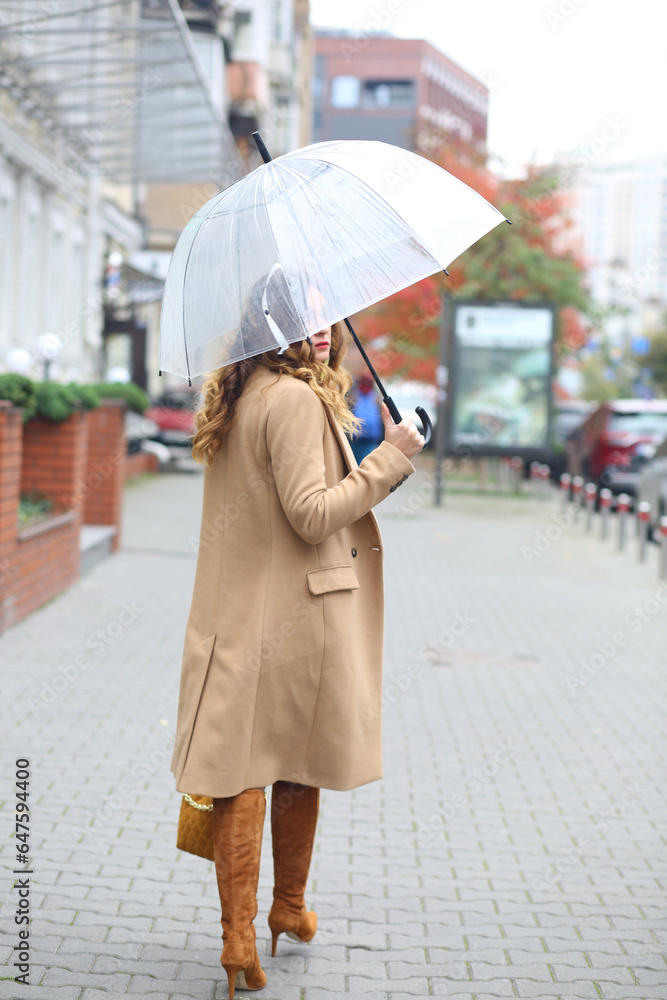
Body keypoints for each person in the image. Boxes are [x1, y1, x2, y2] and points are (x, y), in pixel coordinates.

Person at [171, 304, 424, 999]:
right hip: (291, 619)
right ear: (268, 325)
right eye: (302, 317)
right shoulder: (292, 401)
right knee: (281, 767)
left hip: (238, 616)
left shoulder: (242, 394)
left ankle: (262, 924)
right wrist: (390, 459)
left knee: (254, 768)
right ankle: (255, 924)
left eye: (328, 318)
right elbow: (311, 512)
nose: (320, 331)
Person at [349, 372, 384, 463]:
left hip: (363, 438)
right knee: (361, 463)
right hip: (363, 438)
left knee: (358, 463)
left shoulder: (355, 396)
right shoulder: (374, 397)